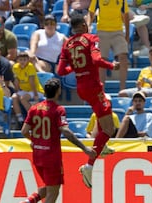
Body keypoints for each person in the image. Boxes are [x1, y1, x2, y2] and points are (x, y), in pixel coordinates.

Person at [57, 14, 120, 188]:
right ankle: (89, 165)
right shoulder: (91, 38)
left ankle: (102, 145)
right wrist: (112, 65)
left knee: (106, 106)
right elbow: (96, 59)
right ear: (84, 25)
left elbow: (61, 70)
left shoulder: (67, 43)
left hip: (81, 87)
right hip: (93, 86)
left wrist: (77, 67)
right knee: (109, 128)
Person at [20, 78, 95, 203]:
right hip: (51, 158)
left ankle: (28, 201)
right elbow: (65, 131)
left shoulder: (34, 108)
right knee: (53, 192)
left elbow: (24, 131)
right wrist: (84, 148)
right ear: (58, 91)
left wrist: (34, 141)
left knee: (50, 187)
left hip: (37, 156)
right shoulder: (58, 110)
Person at [87, 0, 129, 90]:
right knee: (102, 60)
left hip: (117, 31)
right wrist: (88, 26)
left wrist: (127, 35)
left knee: (123, 57)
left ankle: (122, 90)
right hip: (102, 31)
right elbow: (91, 12)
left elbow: (126, 15)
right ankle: (101, 90)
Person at [12, 51, 44, 126]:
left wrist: (36, 95)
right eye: (21, 60)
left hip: (36, 90)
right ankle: (20, 119)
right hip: (25, 90)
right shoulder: (15, 67)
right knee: (14, 97)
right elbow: (16, 80)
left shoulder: (30, 67)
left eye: (24, 60)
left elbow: (32, 82)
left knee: (23, 98)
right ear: (17, 60)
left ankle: (33, 117)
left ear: (28, 60)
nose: (22, 62)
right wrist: (17, 91)